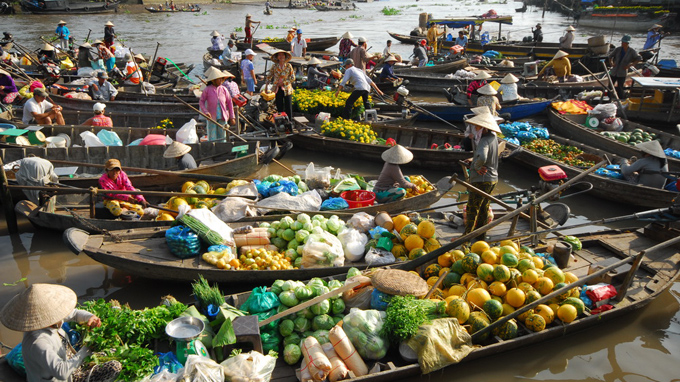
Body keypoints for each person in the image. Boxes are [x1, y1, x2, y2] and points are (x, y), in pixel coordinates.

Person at [0, 283, 122, 382]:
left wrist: (89, 317)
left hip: (71, 363)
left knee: (112, 351)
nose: (62, 312)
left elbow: (74, 314)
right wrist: (86, 350)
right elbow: (61, 373)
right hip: (65, 377)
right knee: (114, 367)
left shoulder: (51, 320)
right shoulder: (38, 343)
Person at [463, 112, 500, 237]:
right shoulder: (493, 138)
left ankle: (466, 237)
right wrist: (473, 159)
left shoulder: (484, 140)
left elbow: (483, 156)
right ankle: (481, 234)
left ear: (484, 129)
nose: (476, 129)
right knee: (484, 207)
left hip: (482, 179)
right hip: (492, 179)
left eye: (478, 127)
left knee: (472, 208)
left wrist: (477, 166)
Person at [200, 67, 236, 142]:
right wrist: (206, 112)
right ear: (214, 80)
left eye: (222, 79)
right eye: (219, 79)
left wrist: (232, 117)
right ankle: (213, 149)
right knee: (212, 137)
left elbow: (230, 103)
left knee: (222, 136)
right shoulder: (207, 89)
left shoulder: (223, 89)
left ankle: (222, 149)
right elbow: (201, 102)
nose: (221, 81)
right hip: (211, 117)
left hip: (223, 116)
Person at [608, 35, 641, 99]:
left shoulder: (631, 51)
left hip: (622, 72)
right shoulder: (618, 49)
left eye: (623, 42)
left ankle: (621, 99)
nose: (622, 44)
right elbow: (610, 56)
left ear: (627, 43)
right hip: (614, 71)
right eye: (622, 42)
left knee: (620, 87)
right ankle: (610, 98)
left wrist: (630, 65)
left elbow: (638, 58)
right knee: (610, 86)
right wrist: (611, 63)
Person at [265, 49, 295, 118]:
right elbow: (269, 76)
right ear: (277, 57)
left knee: (288, 107)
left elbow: (292, 77)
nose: (281, 57)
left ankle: (289, 123)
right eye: (279, 55)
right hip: (277, 89)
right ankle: (281, 123)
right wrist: (266, 86)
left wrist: (284, 83)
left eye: (282, 55)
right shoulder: (274, 66)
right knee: (279, 107)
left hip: (287, 89)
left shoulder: (288, 66)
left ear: (285, 57)